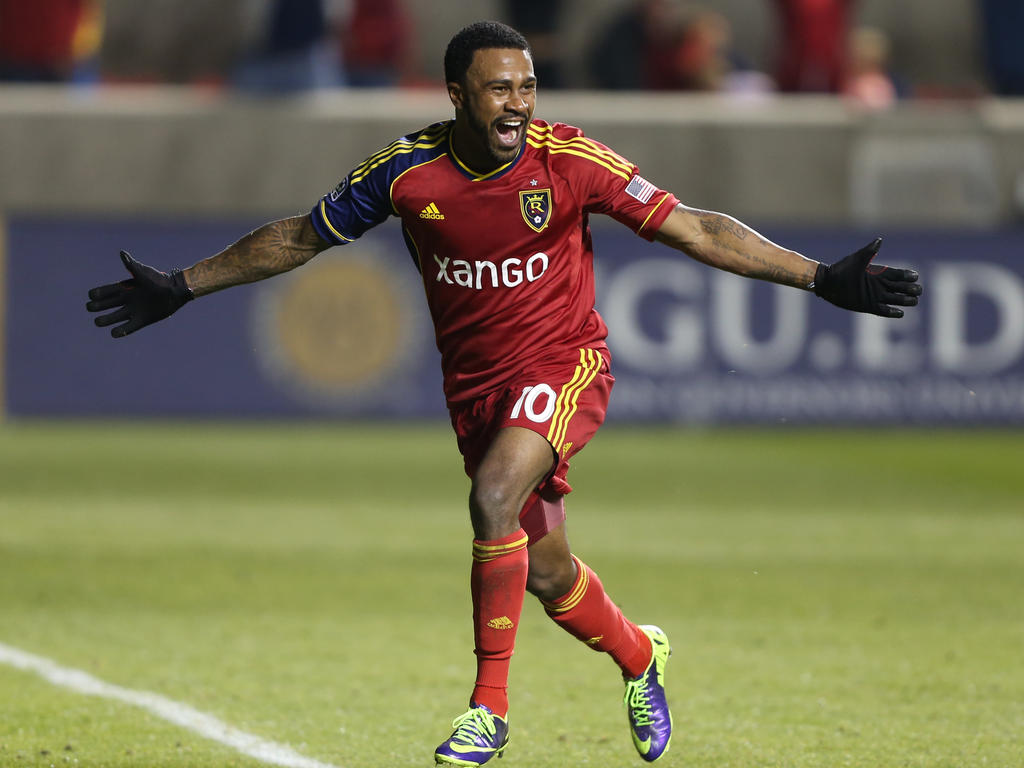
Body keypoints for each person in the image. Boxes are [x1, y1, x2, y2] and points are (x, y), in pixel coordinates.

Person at [85, 20, 922, 765]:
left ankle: (489, 712)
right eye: (498, 87)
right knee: (546, 572)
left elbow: (696, 227)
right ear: (457, 95)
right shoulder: (406, 174)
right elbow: (300, 238)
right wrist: (184, 285)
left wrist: (820, 279)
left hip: (565, 366)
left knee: (493, 501)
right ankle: (641, 657)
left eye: (526, 84)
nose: (517, 102)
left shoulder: (569, 161)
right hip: (477, 394)